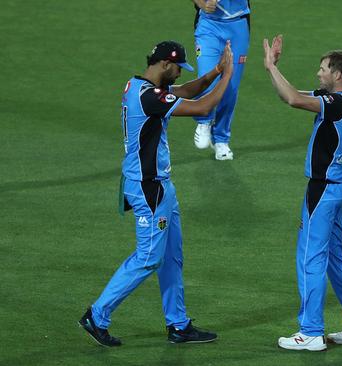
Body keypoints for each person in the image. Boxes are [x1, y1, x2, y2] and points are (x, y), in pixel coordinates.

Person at [79, 40, 234, 347]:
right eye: (177, 67)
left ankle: (178, 325)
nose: (179, 73)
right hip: (149, 188)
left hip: (161, 187)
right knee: (149, 257)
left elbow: (186, 91)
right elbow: (202, 107)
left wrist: (215, 71)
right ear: (165, 64)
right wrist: (228, 77)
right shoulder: (149, 97)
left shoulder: (140, 87)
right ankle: (97, 315)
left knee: (172, 257)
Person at [263, 35, 342, 351]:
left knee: (310, 257)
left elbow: (293, 100)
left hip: (324, 190)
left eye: (323, 68)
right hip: (341, 187)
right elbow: (293, 94)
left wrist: (271, 66)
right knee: (337, 258)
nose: (318, 73)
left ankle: (311, 331)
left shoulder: (336, 102)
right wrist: (274, 70)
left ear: (337, 75)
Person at [191, 0, 250, 160]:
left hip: (238, 27)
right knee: (207, 75)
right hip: (208, 26)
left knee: (230, 86)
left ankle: (221, 139)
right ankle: (204, 121)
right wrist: (202, 4)